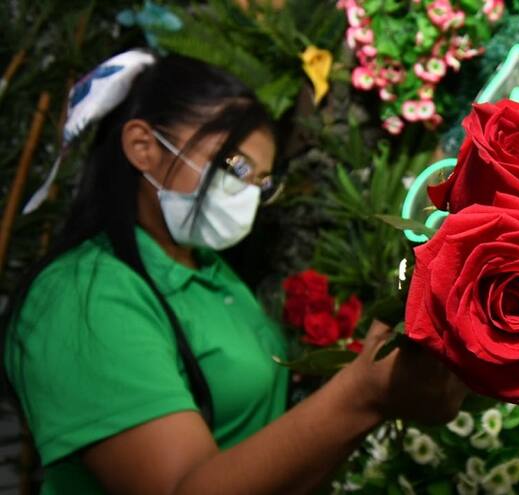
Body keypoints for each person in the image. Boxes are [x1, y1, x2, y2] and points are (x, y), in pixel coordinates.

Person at [2, 50, 468, 494]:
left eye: (260, 183)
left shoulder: (211, 271)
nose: (245, 195)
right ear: (143, 146)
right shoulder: (81, 296)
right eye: (234, 165)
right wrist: (363, 394)